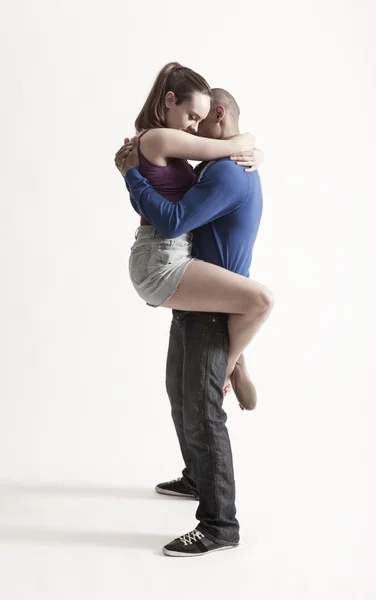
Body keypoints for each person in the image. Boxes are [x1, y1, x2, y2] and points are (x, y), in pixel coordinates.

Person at [115, 84, 275, 556]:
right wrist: (252, 145)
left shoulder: (226, 173)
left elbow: (172, 220)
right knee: (179, 395)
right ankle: (196, 475)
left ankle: (220, 526)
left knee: (203, 412)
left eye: (199, 120)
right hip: (195, 290)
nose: (191, 130)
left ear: (218, 114)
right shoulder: (222, 165)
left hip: (209, 302)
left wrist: (132, 176)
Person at [117, 61, 272, 410]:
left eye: (200, 121)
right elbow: (172, 220)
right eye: (191, 118)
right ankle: (234, 362)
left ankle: (236, 358)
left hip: (169, 257)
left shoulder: (184, 156)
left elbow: (160, 201)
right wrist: (247, 140)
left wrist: (255, 153)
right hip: (162, 261)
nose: (194, 129)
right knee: (262, 300)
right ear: (170, 101)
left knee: (187, 395)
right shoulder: (160, 137)